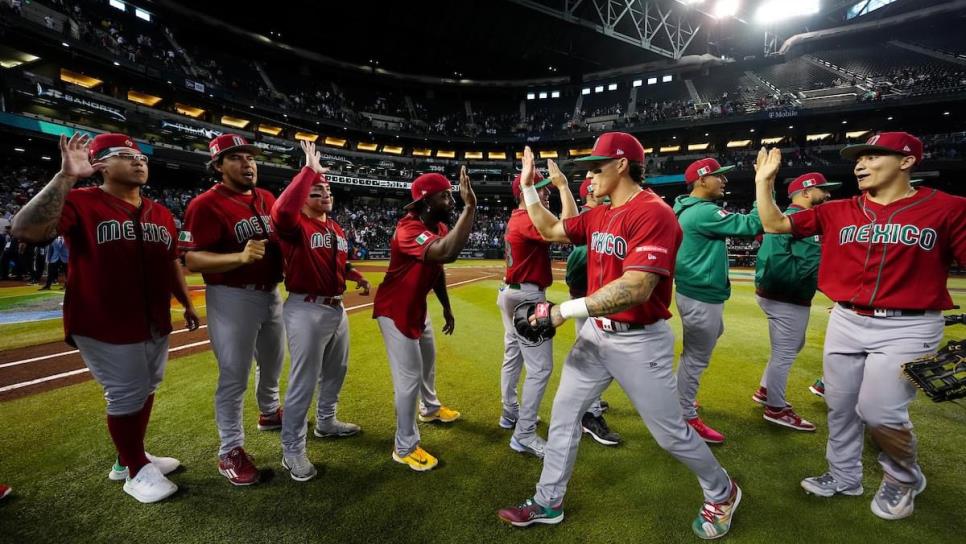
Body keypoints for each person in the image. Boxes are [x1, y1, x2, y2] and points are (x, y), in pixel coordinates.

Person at [498, 136, 741, 540]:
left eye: (596, 168)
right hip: (596, 335)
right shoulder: (602, 214)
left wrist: (562, 311)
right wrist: (527, 186)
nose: (589, 176)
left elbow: (637, 287)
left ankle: (723, 490)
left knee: (670, 434)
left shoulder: (653, 213)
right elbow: (552, 228)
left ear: (622, 165)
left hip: (640, 340)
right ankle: (548, 501)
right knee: (563, 416)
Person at [753, 132, 966, 520]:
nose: (860, 164)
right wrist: (763, 182)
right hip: (846, 318)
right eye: (858, 158)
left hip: (909, 326)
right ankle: (843, 475)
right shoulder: (838, 210)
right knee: (841, 406)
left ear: (906, 161)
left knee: (881, 411)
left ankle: (902, 476)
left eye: (873, 156)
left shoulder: (949, 208)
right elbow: (774, 223)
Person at [11, 133, 199, 503]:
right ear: (100, 165)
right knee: (126, 394)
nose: (138, 160)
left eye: (141, 155)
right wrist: (66, 177)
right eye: (125, 155)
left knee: (145, 388)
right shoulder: (80, 200)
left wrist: (186, 302)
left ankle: (128, 457)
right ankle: (134, 471)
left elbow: (170, 261)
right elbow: (26, 230)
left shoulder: (159, 211)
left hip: (152, 318)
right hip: (103, 319)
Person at [180, 134, 285, 486]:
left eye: (250, 157)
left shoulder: (266, 197)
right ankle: (230, 450)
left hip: (270, 293)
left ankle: (269, 413)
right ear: (218, 166)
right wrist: (238, 257)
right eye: (236, 158)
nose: (247, 163)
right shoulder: (204, 204)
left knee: (273, 362)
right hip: (231, 295)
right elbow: (191, 258)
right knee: (234, 375)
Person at [271, 141, 368, 482]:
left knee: (336, 371)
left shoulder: (336, 228)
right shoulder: (295, 224)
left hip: (335, 309)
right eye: (315, 191)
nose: (323, 193)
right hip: (305, 308)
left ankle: (326, 422)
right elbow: (281, 212)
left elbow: (339, 264)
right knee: (303, 382)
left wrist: (354, 276)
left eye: (326, 189)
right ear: (303, 198)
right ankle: (292, 450)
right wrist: (308, 170)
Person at [372, 169, 476, 471]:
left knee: (427, 362)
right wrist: (470, 207)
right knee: (408, 379)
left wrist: (446, 306)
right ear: (426, 201)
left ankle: (429, 408)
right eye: (444, 195)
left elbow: (438, 267)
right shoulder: (408, 229)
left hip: (417, 308)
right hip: (395, 311)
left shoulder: (439, 225)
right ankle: (404, 446)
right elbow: (448, 252)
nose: (450, 198)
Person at [673, 157, 763, 444]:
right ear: (701, 180)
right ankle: (684, 414)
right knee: (696, 357)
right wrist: (764, 184)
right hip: (701, 292)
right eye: (718, 176)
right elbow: (755, 224)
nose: (724, 181)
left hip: (694, 290)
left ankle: (680, 398)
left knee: (698, 349)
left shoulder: (689, 209)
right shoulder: (703, 212)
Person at [498, 161, 577, 458]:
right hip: (527, 297)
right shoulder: (528, 218)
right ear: (525, 192)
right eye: (541, 190)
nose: (546, 196)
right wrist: (563, 187)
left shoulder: (517, 216)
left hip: (512, 291)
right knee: (541, 368)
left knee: (512, 356)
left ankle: (509, 413)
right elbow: (569, 231)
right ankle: (524, 434)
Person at [752, 173, 841, 432]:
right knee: (785, 352)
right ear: (805, 192)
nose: (827, 195)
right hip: (787, 295)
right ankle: (776, 408)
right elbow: (808, 266)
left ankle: (765, 390)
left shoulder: (784, 216)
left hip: (777, 291)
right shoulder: (800, 220)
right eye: (821, 190)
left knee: (791, 345)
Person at [563, 177, 620, 446]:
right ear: (590, 195)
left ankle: (591, 404)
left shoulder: (600, 217)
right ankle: (589, 413)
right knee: (596, 358)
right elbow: (578, 262)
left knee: (598, 356)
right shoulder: (590, 218)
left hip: (592, 297)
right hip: (589, 298)